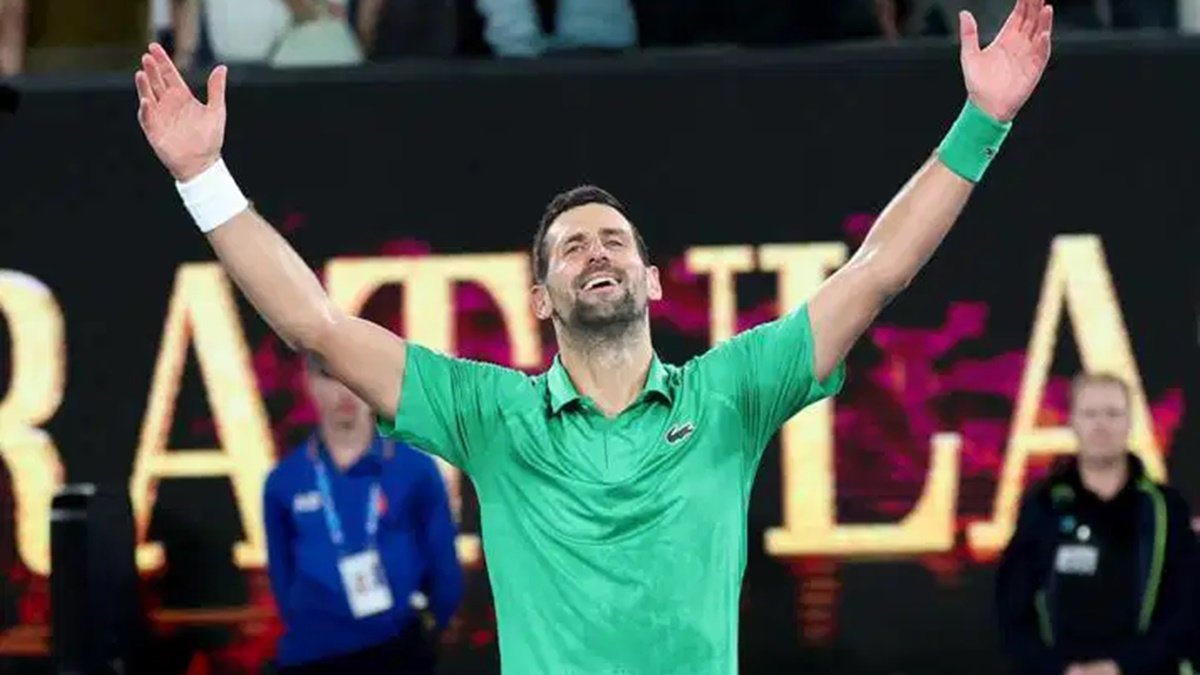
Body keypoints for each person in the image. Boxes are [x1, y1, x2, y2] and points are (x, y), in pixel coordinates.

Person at [131, 0, 1053, 670]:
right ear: (540, 298)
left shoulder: (729, 394)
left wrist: (984, 122)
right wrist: (203, 178)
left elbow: (877, 270)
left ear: (651, 278)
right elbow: (316, 323)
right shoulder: (489, 413)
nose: (596, 251)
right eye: (571, 247)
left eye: (614, 239)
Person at [263, 355, 464, 674]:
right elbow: (281, 573)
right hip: (313, 654)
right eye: (330, 376)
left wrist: (429, 630)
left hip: (399, 650)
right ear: (309, 382)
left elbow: (444, 565)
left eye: (354, 374)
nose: (345, 390)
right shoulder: (285, 480)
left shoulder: (416, 469)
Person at [994, 373, 1198, 675]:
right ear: (1072, 421)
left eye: (1113, 413)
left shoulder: (1166, 509)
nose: (1101, 425)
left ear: (1129, 422)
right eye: (1090, 414)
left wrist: (1121, 667)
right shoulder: (1043, 506)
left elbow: (1187, 608)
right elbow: (1012, 609)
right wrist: (1060, 669)